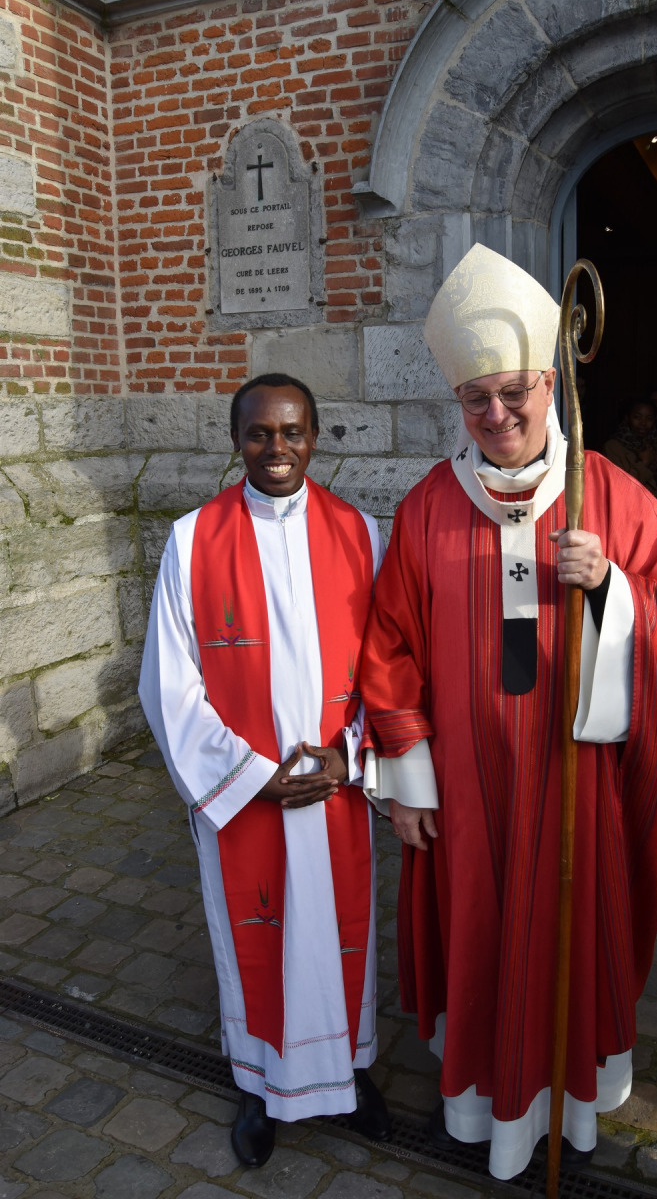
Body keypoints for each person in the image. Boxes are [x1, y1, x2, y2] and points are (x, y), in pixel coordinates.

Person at [360, 244, 657, 1180]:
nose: (498, 415)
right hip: (467, 795)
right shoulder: (428, 509)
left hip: (573, 782)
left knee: (571, 927)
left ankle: (569, 1110)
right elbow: (388, 647)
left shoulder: (611, 497)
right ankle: (483, 1108)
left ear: (550, 384)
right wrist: (409, 778)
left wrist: (613, 592)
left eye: (514, 392)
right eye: (476, 399)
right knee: (480, 932)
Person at [138, 373, 390, 1167]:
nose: (275, 447)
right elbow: (169, 683)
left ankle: (349, 1071)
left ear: (315, 437)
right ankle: (259, 1083)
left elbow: (388, 665)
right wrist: (252, 775)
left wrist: (350, 755)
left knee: (340, 934)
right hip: (250, 794)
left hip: (335, 785)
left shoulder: (360, 533)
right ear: (235, 439)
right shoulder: (193, 541)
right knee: (261, 937)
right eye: (258, 433)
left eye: (291, 431)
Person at [604, 397, 657, 515]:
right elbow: (619, 487)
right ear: (627, 418)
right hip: (630, 511)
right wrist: (644, 463)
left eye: (649, 418)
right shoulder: (613, 447)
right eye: (637, 417)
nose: (643, 423)